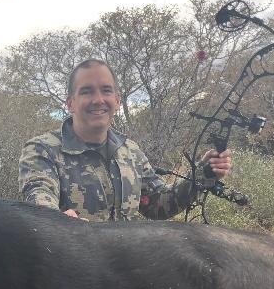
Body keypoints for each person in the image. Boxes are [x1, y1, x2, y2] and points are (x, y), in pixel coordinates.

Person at [19, 59, 232, 221]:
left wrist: (203, 174)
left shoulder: (130, 151)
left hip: (126, 271)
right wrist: (55, 221)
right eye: (86, 91)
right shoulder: (42, 149)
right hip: (71, 272)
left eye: (106, 90)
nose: (98, 100)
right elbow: (39, 196)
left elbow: (158, 204)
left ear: (117, 101)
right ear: (70, 103)